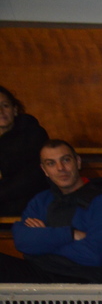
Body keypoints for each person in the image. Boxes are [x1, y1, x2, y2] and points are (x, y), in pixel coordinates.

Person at [1, 140, 102, 283]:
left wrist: (42, 243)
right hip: (43, 271)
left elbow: (94, 254)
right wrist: (70, 234)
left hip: (85, 276)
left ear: (78, 162)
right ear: (44, 170)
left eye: (66, 160)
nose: (60, 168)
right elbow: (22, 240)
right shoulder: (41, 200)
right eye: (51, 163)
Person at [0, 86, 49, 216]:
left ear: (15, 110)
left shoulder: (32, 134)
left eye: (5, 106)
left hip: (27, 201)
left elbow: (33, 176)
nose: (1, 111)